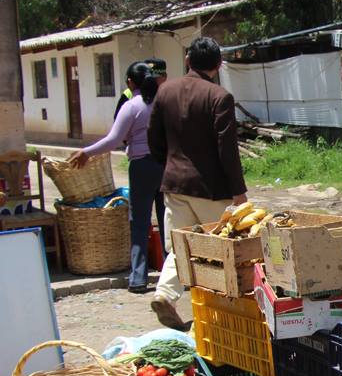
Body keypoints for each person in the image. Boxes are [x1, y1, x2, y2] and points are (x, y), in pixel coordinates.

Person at [148, 36, 248, 330]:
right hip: (211, 190)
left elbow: (153, 138)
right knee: (219, 251)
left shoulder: (165, 91)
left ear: (188, 60)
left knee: (181, 247)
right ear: (217, 66)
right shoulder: (219, 97)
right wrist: (239, 192)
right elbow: (227, 150)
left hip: (175, 185)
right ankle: (221, 315)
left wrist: (169, 165)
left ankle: (165, 294)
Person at [68, 61, 165, 294]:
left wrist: (86, 152)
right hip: (166, 165)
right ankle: (172, 277)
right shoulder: (162, 103)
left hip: (142, 167)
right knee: (166, 221)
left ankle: (139, 279)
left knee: (140, 223)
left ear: (131, 83)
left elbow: (114, 140)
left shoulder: (132, 106)